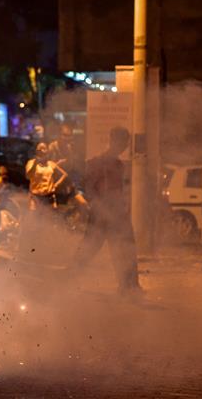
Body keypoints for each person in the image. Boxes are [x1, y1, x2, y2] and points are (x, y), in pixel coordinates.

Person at [71, 126, 142, 295]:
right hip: (102, 213)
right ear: (113, 141)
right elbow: (89, 188)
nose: (124, 146)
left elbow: (119, 190)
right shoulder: (98, 163)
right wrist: (98, 206)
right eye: (122, 142)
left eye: (126, 142)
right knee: (90, 247)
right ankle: (68, 278)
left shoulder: (119, 165)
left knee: (126, 247)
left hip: (116, 212)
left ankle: (129, 286)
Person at [25, 142, 68, 210]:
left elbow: (64, 174)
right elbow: (28, 176)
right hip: (36, 197)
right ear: (36, 151)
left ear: (47, 151)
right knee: (35, 218)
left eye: (44, 148)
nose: (42, 150)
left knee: (49, 218)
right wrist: (36, 163)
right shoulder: (31, 162)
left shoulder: (50, 164)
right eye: (40, 149)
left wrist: (56, 185)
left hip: (49, 197)